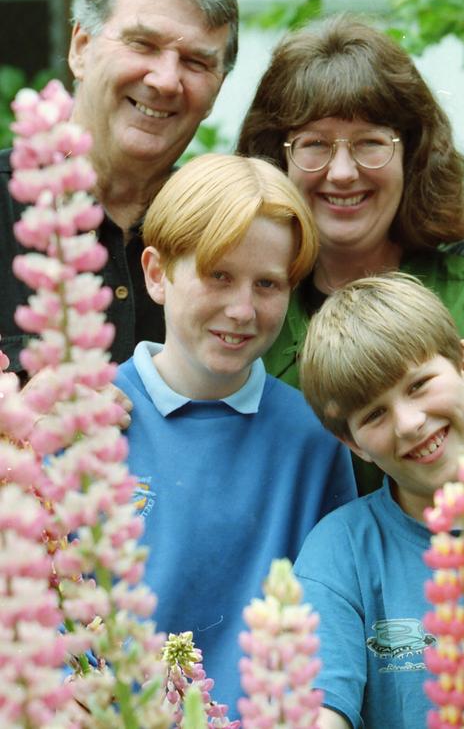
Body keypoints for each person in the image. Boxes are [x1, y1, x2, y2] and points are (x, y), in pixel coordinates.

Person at [236, 15, 464, 491]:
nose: (341, 173)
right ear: (278, 159)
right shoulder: (245, 320)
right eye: (313, 145)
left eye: (370, 144)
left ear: (411, 155)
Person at [114, 153, 357, 714]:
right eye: (218, 275)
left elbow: (336, 606)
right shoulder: (89, 417)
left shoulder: (312, 438)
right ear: (156, 274)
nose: (242, 309)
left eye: (268, 284)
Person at [293, 273, 464, 729]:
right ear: (354, 445)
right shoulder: (339, 551)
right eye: (374, 414)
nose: (409, 423)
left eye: (418, 385)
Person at [0, 0, 238, 373]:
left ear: (217, 90)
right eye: (143, 44)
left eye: (196, 62)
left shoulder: (222, 234)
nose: (166, 81)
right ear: (81, 48)